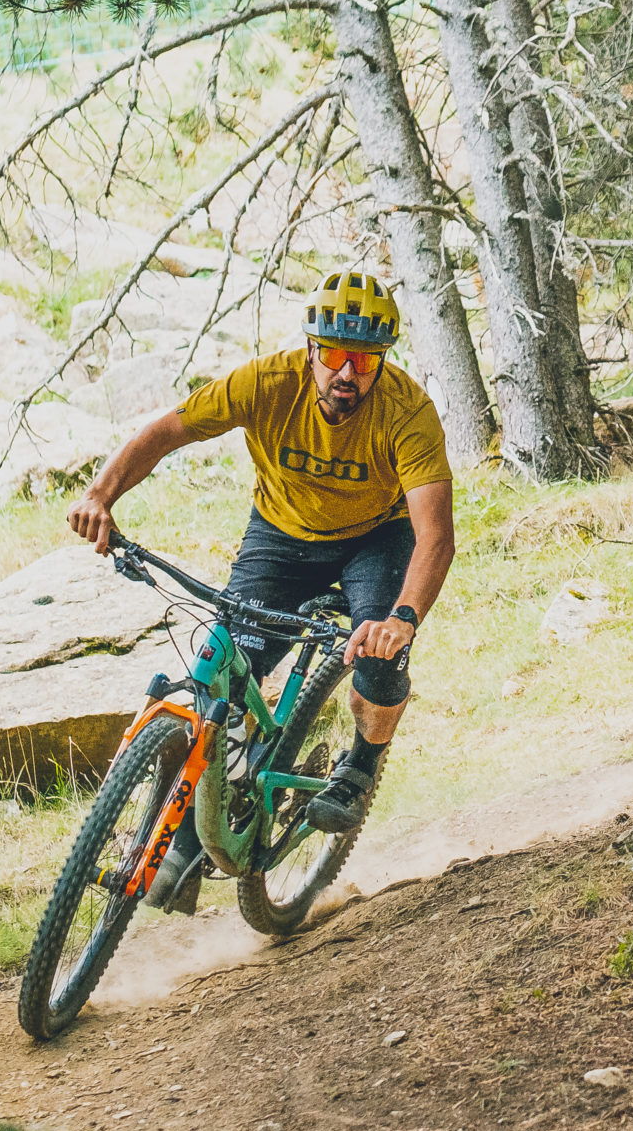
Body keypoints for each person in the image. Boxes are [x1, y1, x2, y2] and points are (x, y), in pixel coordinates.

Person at [67, 270, 456, 910]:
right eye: (335, 354)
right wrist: (99, 496)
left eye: (364, 360)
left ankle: (359, 768)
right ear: (311, 350)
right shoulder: (266, 383)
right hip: (281, 536)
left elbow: (434, 534)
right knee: (220, 672)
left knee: (380, 657)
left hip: (376, 539)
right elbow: (167, 431)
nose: (348, 372)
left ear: (382, 361)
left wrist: (403, 619)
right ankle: (188, 842)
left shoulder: (406, 413)